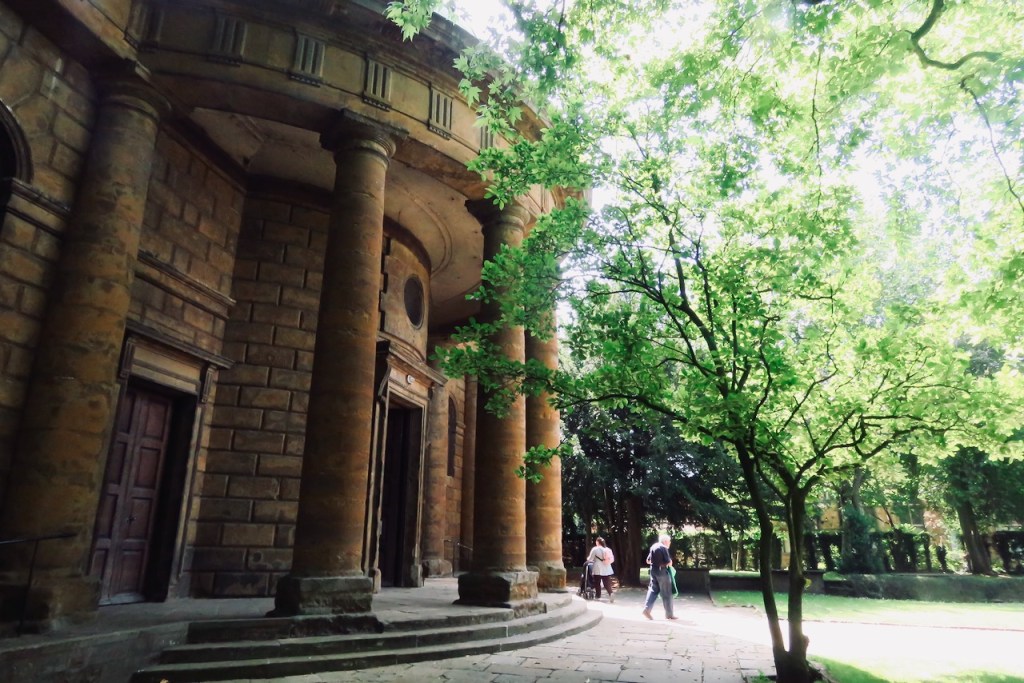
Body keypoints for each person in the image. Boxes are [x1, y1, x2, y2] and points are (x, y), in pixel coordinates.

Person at [642, 533, 677, 620]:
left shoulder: (653, 546)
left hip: (653, 570)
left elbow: (648, 561)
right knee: (667, 593)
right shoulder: (663, 548)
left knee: (653, 590)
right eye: (669, 542)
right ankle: (669, 615)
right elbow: (669, 562)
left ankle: (647, 609)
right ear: (665, 541)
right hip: (662, 571)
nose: (669, 543)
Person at [587, 537, 615, 602]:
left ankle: (598, 595)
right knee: (606, 582)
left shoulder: (595, 549)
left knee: (597, 582)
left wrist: (587, 559)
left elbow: (590, 559)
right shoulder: (607, 549)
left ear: (597, 542)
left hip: (598, 567)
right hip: (607, 567)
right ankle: (611, 593)